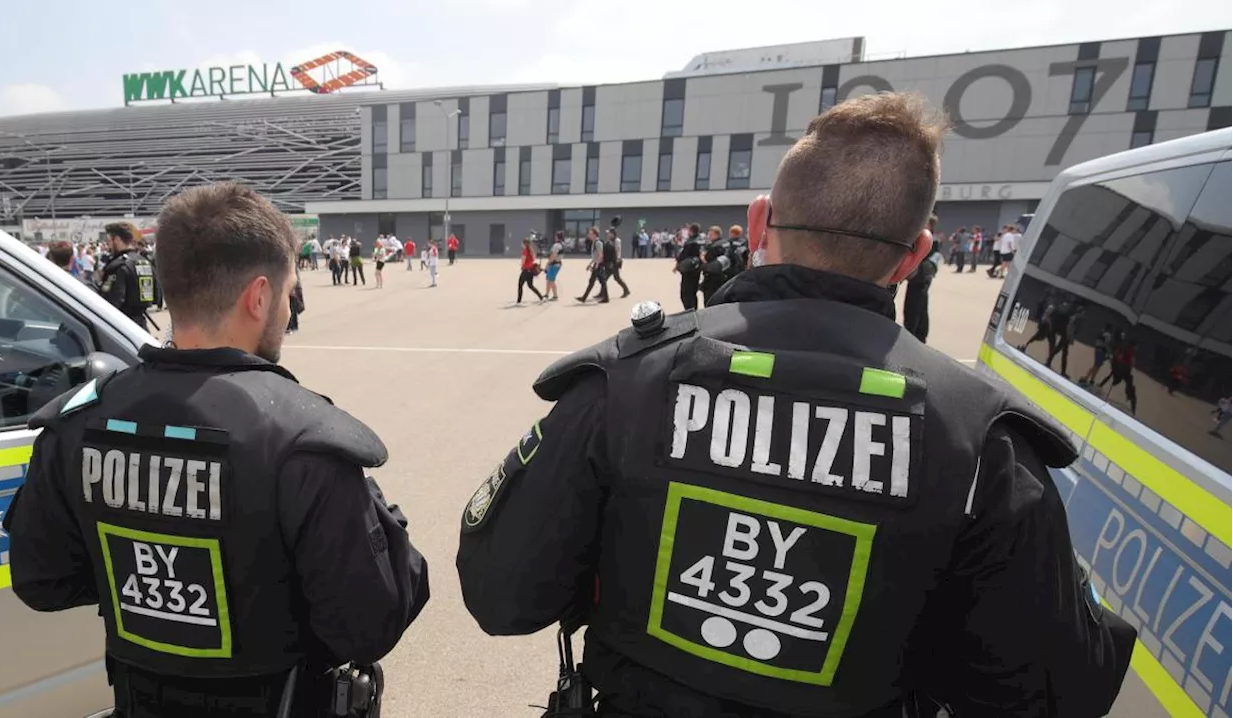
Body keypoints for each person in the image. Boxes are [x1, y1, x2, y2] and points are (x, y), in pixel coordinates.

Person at [456, 92, 1135, 718]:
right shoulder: (983, 441)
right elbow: (1056, 690)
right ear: (915, 255)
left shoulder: (629, 379)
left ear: (758, 222)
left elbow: (503, 594)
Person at [4, 183, 429, 718]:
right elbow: (368, 626)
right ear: (257, 296)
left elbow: (43, 581)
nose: (287, 306)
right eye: (287, 291)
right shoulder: (305, 440)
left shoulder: (77, 423)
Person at [98, 222, 159, 329]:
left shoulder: (118, 265)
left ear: (117, 239)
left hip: (122, 325)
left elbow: (112, 302)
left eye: (110, 240)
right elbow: (156, 295)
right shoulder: (144, 262)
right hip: (142, 325)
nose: (109, 244)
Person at [901, 214, 939, 342]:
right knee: (920, 304)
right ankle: (918, 333)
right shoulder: (930, 239)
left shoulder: (927, 239)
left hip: (921, 275)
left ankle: (913, 334)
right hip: (921, 275)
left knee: (915, 305)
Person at [674, 223, 703, 310]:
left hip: (688, 271)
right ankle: (694, 310)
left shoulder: (690, 242)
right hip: (697, 270)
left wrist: (677, 265)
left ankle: (689, 312)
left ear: (691, 231)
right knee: (693, 292)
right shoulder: (702, 240)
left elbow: (682, 256)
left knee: (686, 293)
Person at [576, 227, 609, 304]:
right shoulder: (594, 242)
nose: (589, 235)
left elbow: (601, 255)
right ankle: (585, 298)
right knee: (598, 281)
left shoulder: (598, 243)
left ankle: (585, 298)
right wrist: (590, 264)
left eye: (590, 234)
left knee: (600, 281)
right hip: (596, 264)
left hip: (599, 265)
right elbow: (595, 256)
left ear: (595, 234)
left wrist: (596, 265)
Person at [516, 235, 545, 305]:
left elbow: (523, 259)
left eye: (522, 243)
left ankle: (519, 301)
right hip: (531, 270)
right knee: (530, 285)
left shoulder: (525, 251)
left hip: (525, 270)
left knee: (520, 285)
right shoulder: (531, 250)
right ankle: (541, 297)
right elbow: (533, 259)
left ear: (524, 244)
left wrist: (522, 266)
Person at [542, 233, 564, 302]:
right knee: (549, 280)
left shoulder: (556, 245)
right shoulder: (560, 245)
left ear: (557, 237)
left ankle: (555, 296)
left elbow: (553, 255)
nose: (554, 237)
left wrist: (547, 264)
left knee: (551, 280)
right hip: (555, 264)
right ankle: (547, 294)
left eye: (555, 236)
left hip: (554, 264)